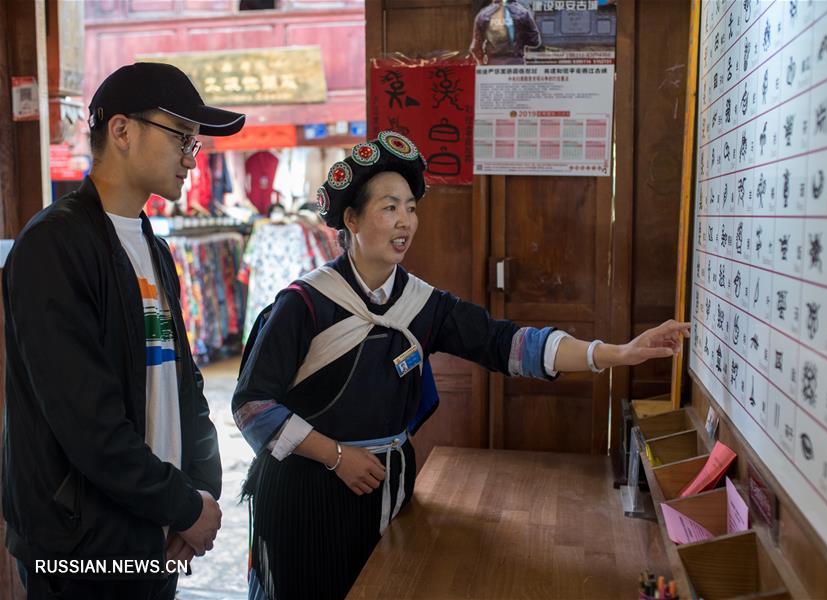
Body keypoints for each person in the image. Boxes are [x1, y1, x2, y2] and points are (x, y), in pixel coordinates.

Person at [232, 130, 691, 600]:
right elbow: (252, 407)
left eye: (411, 207)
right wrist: (336, 456)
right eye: (389, 207)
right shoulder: (304, 304)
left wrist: (615, 353)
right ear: (351, 218)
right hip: (309, 494)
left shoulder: (421, 303)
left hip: (387, 487)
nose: (404, 221)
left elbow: (506, 343)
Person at [2, 62, 246, 600]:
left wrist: (198, 494)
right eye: (181, 135)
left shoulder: (153, 248)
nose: (190, 156)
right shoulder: (53, 247)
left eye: (195, 143)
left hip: (152, 530)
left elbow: (186, 386)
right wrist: (182, 505)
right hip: (80, 547)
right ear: (121, 130)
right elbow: (87, 421)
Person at [470, 0, 542, 65]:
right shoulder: (523, 13)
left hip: (493, 66)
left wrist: (482, 64)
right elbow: (535, 41)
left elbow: (475, 48)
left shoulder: (483, 15)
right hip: (516, 66)